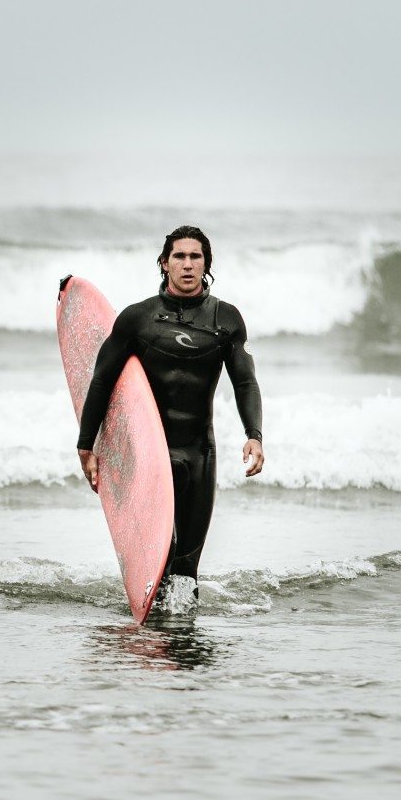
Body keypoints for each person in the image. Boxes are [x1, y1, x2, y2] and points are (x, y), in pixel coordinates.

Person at [75, 226, 265, 591]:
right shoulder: (138, 319)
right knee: (158, 564)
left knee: (186, 573)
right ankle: (155, 634)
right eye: (179, 256)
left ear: (207, 262)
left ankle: (182, 640)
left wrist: (253, 435)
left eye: (196, 256)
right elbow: (101, 380)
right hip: (148, 456)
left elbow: (245, 381)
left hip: (198, 454)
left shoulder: (226, 320)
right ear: (165, 263)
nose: (188, 264)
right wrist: (87, 445)